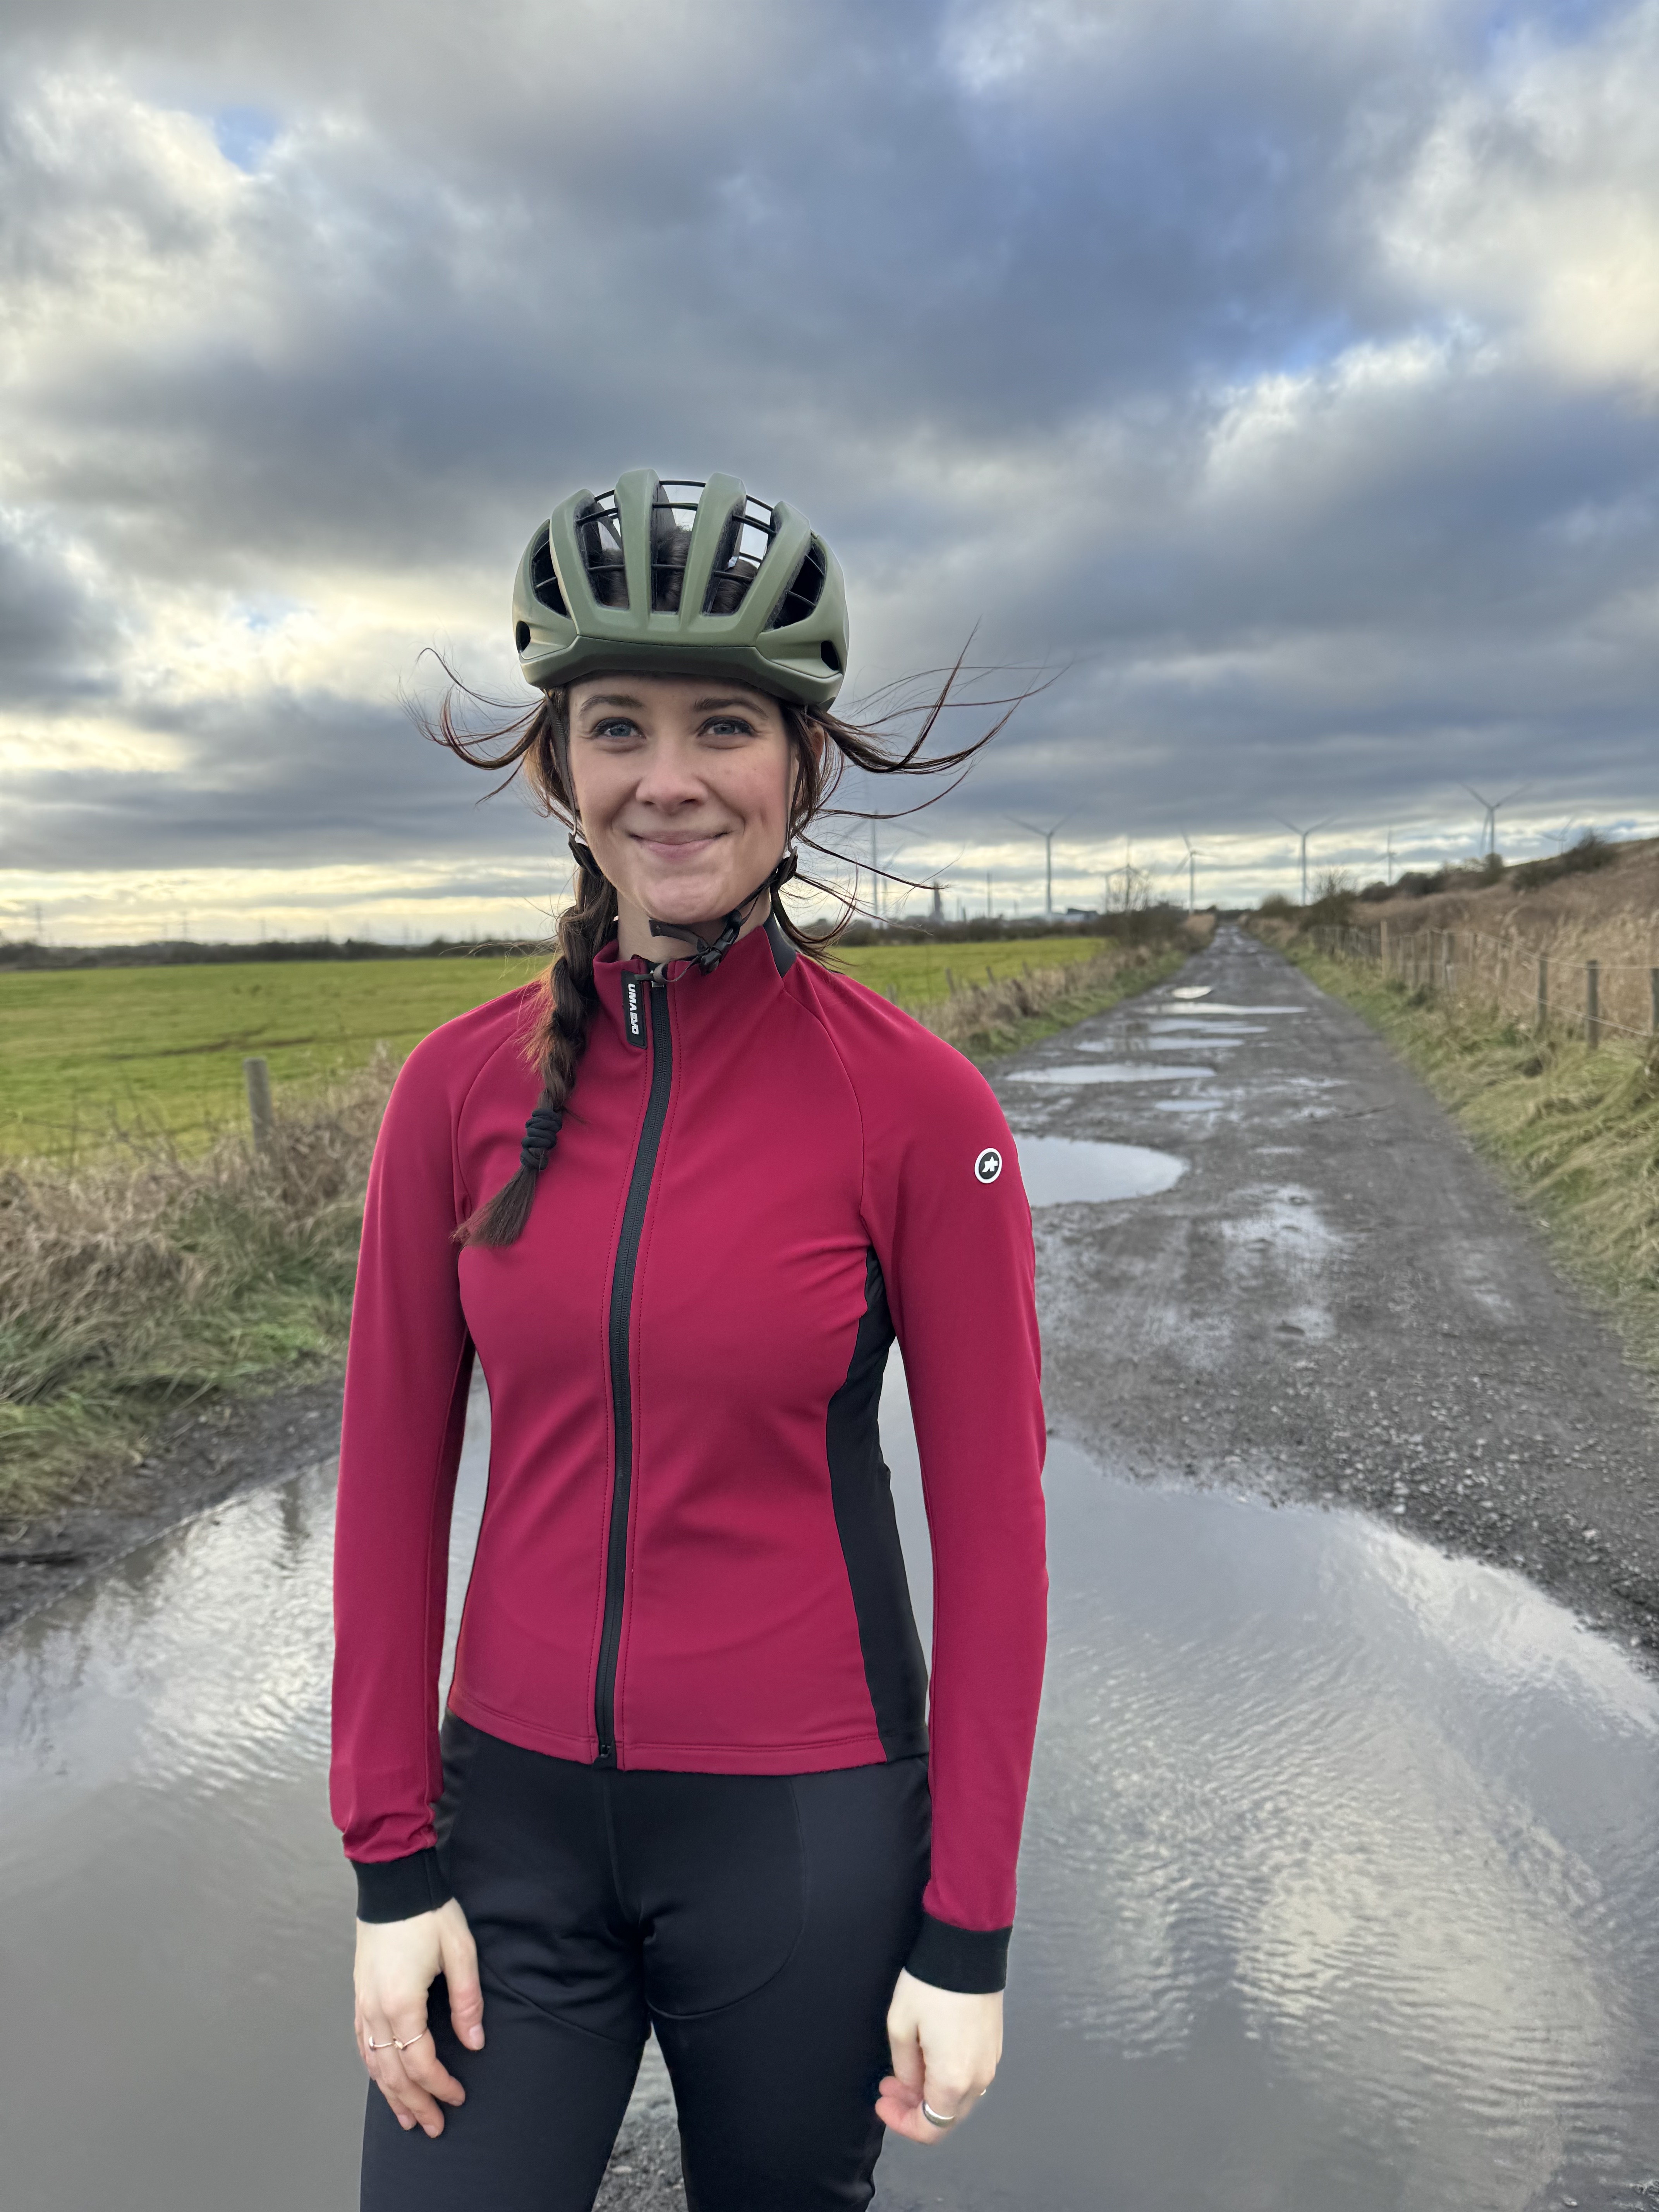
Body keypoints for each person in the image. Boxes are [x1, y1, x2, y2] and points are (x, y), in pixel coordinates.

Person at [331, 471, 1048, 2211]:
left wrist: (969, 1937)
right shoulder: (452, 1095)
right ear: (555, 767)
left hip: (803, 1844)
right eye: (615, 727)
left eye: (723, 723)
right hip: (504, 1837)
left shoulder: (921, 1111)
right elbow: (383, 1492)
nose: (669, 777)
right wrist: (388, 1872)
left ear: (801, 763)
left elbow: (998, 1541)